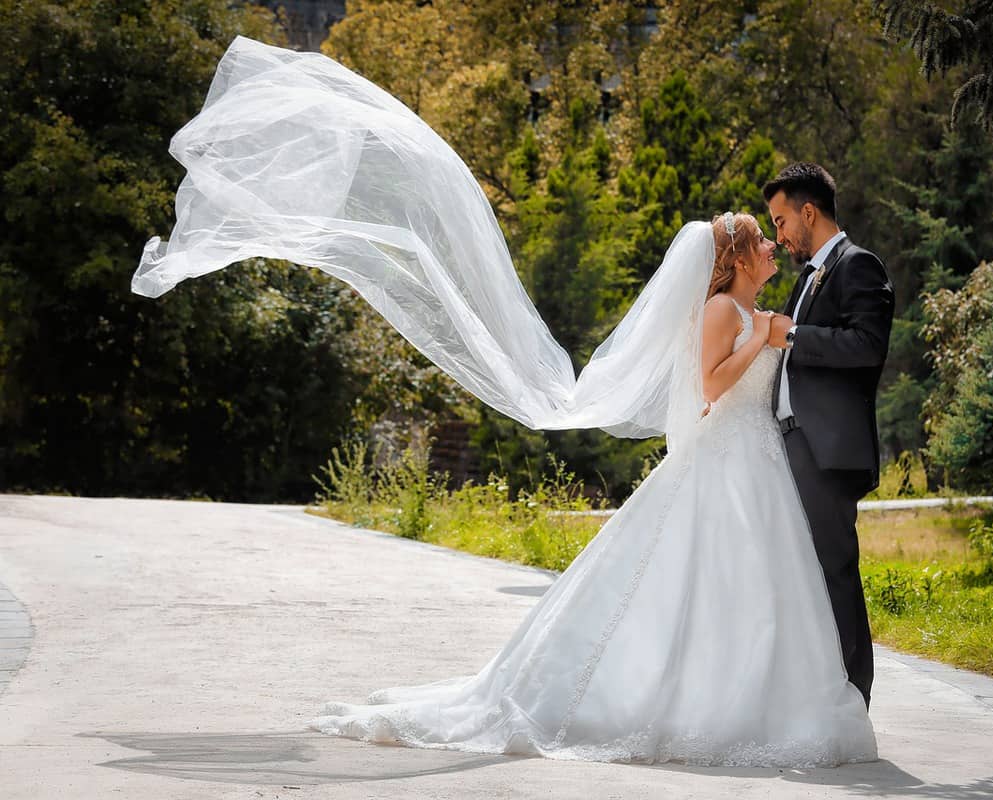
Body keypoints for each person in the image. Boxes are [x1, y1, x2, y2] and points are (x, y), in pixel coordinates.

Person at [131, 37, 877, 767]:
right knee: (697, 582)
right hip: (728, 456)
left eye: (778, 229)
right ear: (737, 257)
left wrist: (776, 336)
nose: (776, 244)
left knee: (761, 592)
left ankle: (764, 697)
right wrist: (769, 338)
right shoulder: (728, 314)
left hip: (759, 460)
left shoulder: (769, 305)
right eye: (765, 238)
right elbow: (713, 389)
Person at [763, 164, 896, 709]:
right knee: (803, 576)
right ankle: (817, 699)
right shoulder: (807, 276)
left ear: (808, 212)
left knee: (835, 572)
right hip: (792, 446)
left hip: (827, 450)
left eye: (781, 221)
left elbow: (866, 346)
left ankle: (852, 704)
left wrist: (792, 333)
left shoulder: (858, 266)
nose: (779, 236)